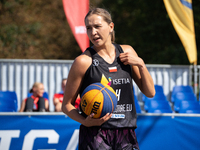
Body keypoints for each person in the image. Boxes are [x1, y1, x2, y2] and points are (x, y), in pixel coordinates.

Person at [62, 8, 155, 150]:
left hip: (126, 132)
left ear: (111, 27)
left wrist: (141, 64)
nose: (93, 32)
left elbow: (150, 93)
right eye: (88, 28)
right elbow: (67, 105)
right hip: (96, 134)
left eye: (97, 26)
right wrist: (86, 122)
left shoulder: (127, 52)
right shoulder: (83, 61)